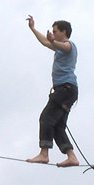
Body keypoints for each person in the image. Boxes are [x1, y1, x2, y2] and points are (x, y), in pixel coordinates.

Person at [26, 15, 79, 167]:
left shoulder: (70, 46)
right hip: (67, 91)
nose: (53, 34)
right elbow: (44, 42)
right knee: (58, 126)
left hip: (65, 89)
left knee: (46, 118)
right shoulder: (58, 47)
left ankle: (44, 153)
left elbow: (64, 46)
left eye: (55, 31)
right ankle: (71, 156)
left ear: (64, 32)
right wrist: (33, 28)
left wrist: (53, 41)